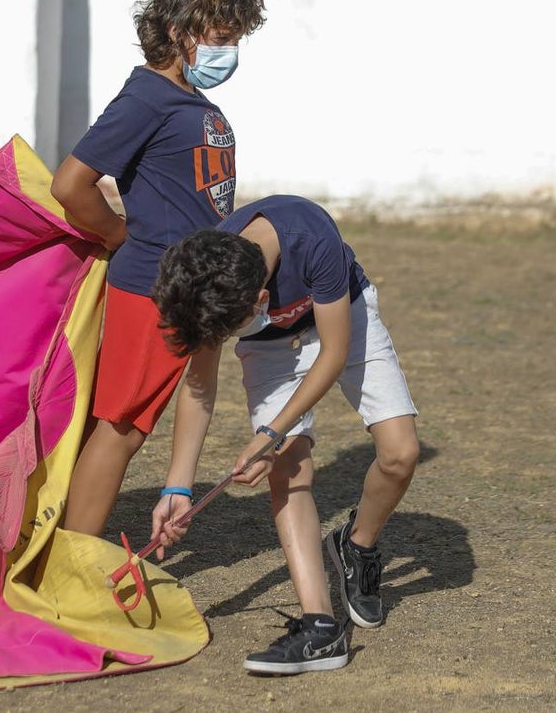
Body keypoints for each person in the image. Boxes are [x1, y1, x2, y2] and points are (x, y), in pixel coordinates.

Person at [149, 194, 420, 675]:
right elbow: (200, 385)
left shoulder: (312, 238)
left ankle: (356, 545)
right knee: (288, 467)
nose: (224, 342)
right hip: (270, 345)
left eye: (229, 333)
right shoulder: (208, 276)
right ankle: (320, 628)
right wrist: (177, 487)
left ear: (260, 301)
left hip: (343, 315)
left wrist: (270, 432)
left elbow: (333, 353)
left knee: (400, 455)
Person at [51, 0, 265, 536]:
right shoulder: (145, 97)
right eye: (220, 38)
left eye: (236, 39)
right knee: (121, 427)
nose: (230, 52)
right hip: (154, 286)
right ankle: (72, 564)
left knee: (136, 421)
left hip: (197, 288)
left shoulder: (188, 101)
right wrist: (118, 234)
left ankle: (73, 551)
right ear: (177, 29)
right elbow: (70, 184)